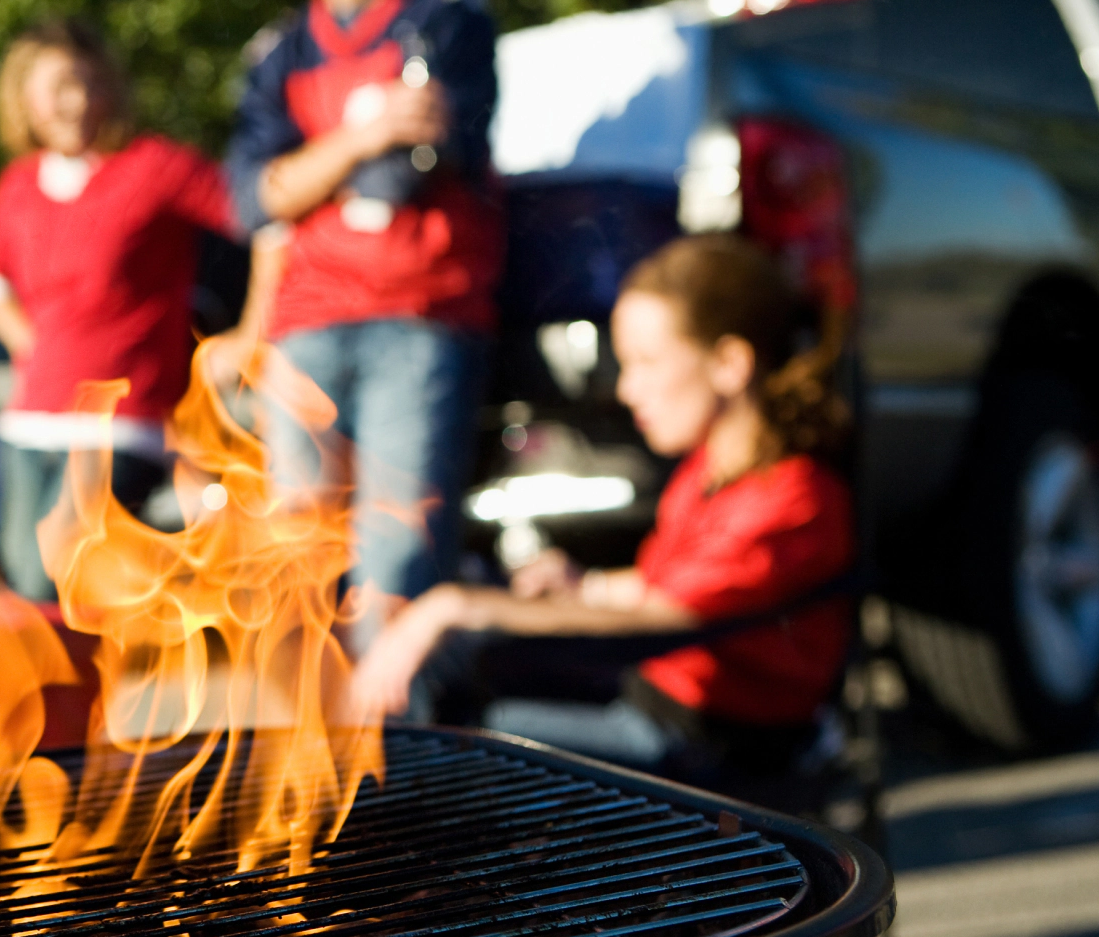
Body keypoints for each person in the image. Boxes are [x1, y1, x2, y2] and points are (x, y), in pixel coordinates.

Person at [350, 234, 855, 779]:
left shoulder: (793, 498)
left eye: (645, 362)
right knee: (448, 672)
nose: (627, 389)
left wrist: (459, 606)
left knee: (453, 739)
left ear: (730, 363)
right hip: (653, 699)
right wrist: (581, 583)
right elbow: (664, 585)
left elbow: (661, 617)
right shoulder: (709, 471)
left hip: (710, 743)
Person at [224, 0, 502, 646]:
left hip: (420, 319)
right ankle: (313, 770)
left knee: (394, 575)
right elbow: (250, 201)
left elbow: (416, 163)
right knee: (295, 578)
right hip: (302, 330)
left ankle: (405, 766)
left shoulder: (448, 13)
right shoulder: (278, 53)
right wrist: (359, 137)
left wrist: (307, 174)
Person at [0, 18, 236, 600]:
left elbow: (259, 215)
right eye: (56, 86)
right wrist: (30, 344)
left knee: (49, 572)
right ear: (25, 98)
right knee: (21, 580)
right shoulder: (17, 186)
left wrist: (250, 333)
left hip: (122, 419)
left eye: (85, 83)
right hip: (30, 419)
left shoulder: (154, 167)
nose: (73, 100)